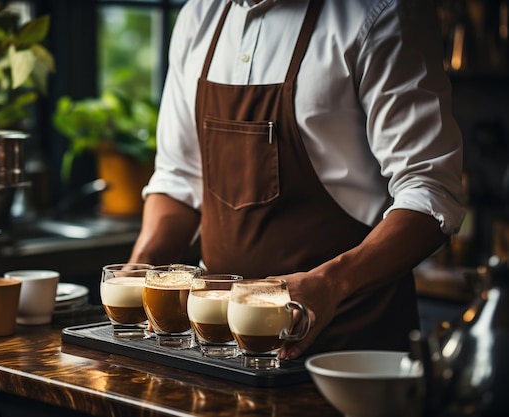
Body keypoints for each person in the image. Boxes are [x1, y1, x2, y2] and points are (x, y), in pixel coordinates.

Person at [128, 0, 466, 360]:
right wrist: (142, 270)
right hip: (224, 351)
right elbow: (179, 179)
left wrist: (329, 283)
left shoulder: (381, 13)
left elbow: (430, 193)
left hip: (353, 348)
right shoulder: (199, 16)